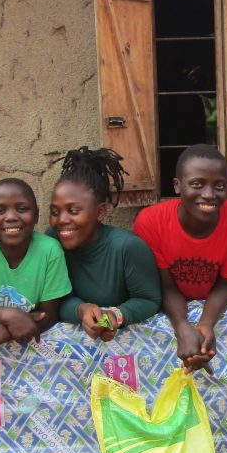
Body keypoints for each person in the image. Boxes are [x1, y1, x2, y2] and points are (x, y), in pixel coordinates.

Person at [133, 144, 227, 372]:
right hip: (171, 302)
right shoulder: (150, 222)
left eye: (219, 186)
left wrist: (206, 325)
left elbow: (226, 284)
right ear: (177, 186)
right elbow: (166, 287)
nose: (209, 194)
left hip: (215, 301)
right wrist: (181, 327)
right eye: (197, 184)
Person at [0, 178, 72, 374]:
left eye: (22, 209)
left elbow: (49, 315)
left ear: (36, 215)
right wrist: (9, 315)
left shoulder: (50, 251)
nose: (10, 217)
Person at [45, 146, 161, 340]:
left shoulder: (127, 247)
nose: (62, 220)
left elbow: (149, 299)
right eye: (55, 212)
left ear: (100, 212)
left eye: (73, 211)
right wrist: (81, 310)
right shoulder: (52, 240)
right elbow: (54, 299)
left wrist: (115, 315)